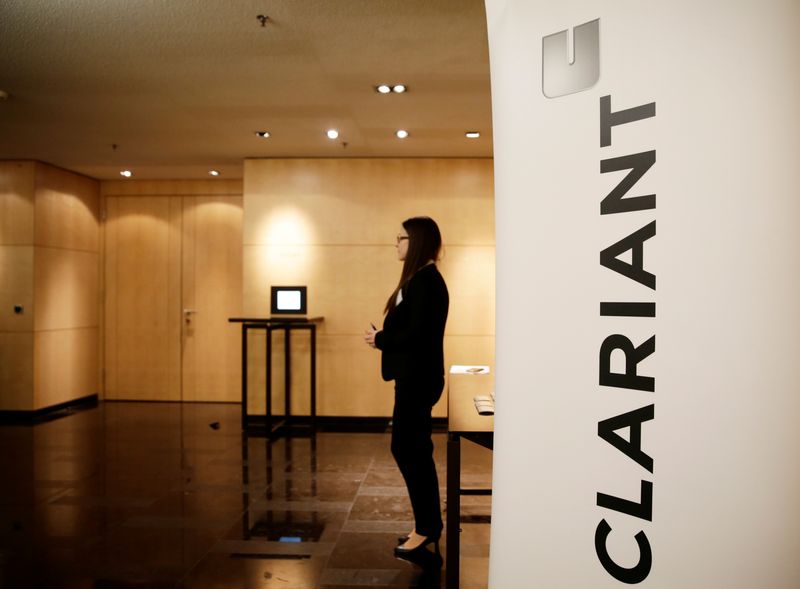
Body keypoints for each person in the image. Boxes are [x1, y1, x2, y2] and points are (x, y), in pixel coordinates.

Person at [364, 216, 449, 564]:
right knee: (411, 450)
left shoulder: (425, 282)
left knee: (410, 450)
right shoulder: (418, 280)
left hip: (418, 379)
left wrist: (379, 338)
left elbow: (417, 336)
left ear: (415, 241)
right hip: (415, 378)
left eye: (400, 237)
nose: (395, 243)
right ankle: (426, 525)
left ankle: (427, 528)